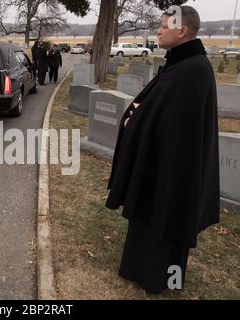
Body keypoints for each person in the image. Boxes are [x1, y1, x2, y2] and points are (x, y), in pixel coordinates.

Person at [105, 5, 220, 294]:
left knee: (166, 224)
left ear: (182, 30)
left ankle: (161, 279)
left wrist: (138, 121)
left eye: (164, 26)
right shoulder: (179, 63)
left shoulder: (194, 70)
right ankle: (137, 269)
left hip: (175, 170)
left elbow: (178, 128)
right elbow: (158, 108)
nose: (158, 30)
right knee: (147, 219)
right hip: (158, 163)